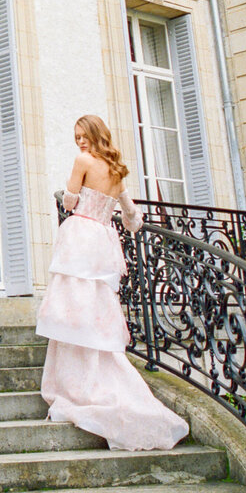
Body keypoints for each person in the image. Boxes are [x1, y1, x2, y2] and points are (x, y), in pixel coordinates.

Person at [35, 114, 188, 452]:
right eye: (76, 138)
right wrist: (120, 217)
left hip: (81, 234)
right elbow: (132, 218)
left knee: (75, 305)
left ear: (94, 134)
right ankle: (94, 376)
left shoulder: (83, 162)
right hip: (104, 238)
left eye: (82, 136)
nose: (79, 142)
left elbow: (70, 201)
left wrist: (73, 199)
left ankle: (75, 383)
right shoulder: (117, 171)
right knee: (97, 306)